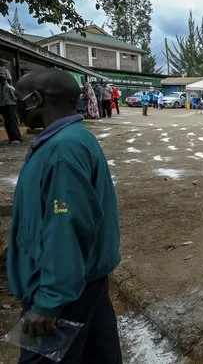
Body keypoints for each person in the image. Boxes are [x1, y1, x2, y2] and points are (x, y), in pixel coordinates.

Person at [8, 68, 121, 362]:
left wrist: (49, 301)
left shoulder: (63, 150)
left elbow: (67, 226)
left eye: (19, 98)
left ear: (35, 99)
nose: (15, 105)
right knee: (99, 354)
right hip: (82, 281)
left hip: (62, 291)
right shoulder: (68, 139)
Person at [0, 69, 23, 143]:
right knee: (7, 123)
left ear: (4, 81)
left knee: (12, 122)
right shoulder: (1, 88)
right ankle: (11, 138)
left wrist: (14, 106)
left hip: (11, 106)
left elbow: (16, 98)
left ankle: (16, 138)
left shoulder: (10, 88)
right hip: (5, 106)